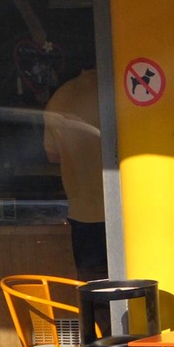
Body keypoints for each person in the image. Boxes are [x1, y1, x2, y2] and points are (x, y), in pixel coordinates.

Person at [43, 67, 107, 281]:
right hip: (127, 210)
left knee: (94, 287)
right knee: (137, 283)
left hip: (83, 211)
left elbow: (52, 155)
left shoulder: (60, 97)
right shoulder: (119, 88)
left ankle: (102, 317)